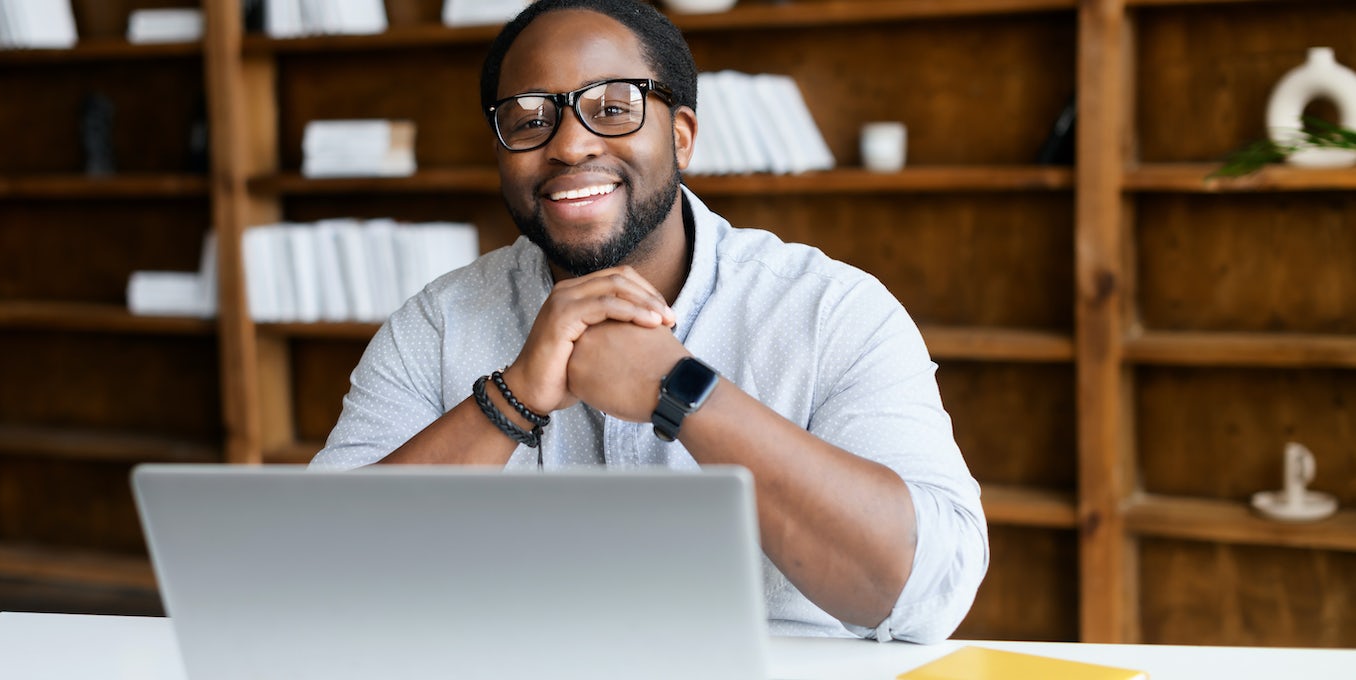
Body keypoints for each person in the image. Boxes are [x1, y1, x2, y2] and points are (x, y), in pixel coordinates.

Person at [310, 0, 987, 644]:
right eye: (528, 118)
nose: (570, 146)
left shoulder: (830, 310)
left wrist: (683, 388)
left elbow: (926, 596)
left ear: (682, 137)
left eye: (613, 108)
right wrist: (512, 398)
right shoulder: (438, 323)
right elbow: (312, 576)